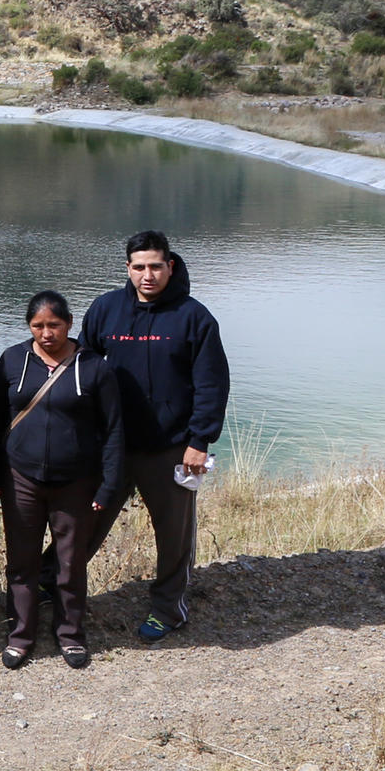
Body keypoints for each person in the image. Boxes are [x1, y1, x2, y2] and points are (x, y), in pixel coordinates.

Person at [80, 230, 230, 643]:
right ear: (127, 268)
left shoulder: (194, 317)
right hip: (113, 444)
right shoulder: (105, 309)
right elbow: (83, 369)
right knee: (85, 519)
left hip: (171, 448)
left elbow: (212, 384)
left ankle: (169, 609)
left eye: (156, 267)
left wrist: (199, 441)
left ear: (171, 266)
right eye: (139, 267)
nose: (148, 275)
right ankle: (51, 585)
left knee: (173, 534)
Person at [0, 290, 124, 670]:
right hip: (21, 479)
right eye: (38, 326)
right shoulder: (14, 360)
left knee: (70, 563)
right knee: (22, 562)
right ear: (29, 326)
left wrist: (109, 484)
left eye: (54, 325)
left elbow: (113, 431)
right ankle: (20, 636)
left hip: (76, 481)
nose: (46, 333)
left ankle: (71, 636)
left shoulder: (94, 367)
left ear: (69, 324)